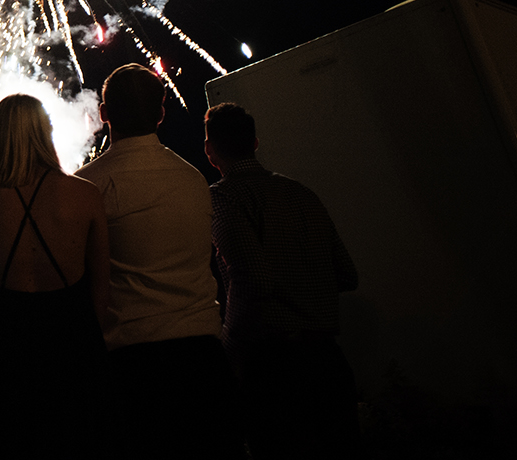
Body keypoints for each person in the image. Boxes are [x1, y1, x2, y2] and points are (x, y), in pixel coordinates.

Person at [74, 64, 243, 459]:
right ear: (161, 113)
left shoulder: (87, 187)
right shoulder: (193, 180)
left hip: (132, 369)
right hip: (203, 364)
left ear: (103, 113)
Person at [204, 102, 361, 459]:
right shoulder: (300, 192)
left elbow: (253, 281)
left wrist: (227, 352)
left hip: (275, 370)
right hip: (329, 363)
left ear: (209, 150)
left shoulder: (223, 197)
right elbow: (347, 274)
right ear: (255, 142)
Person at [0, 94, 110, 458]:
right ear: (46, 131)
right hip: (73, 341)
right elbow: (101, 288)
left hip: (7, 344)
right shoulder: (85, 195)